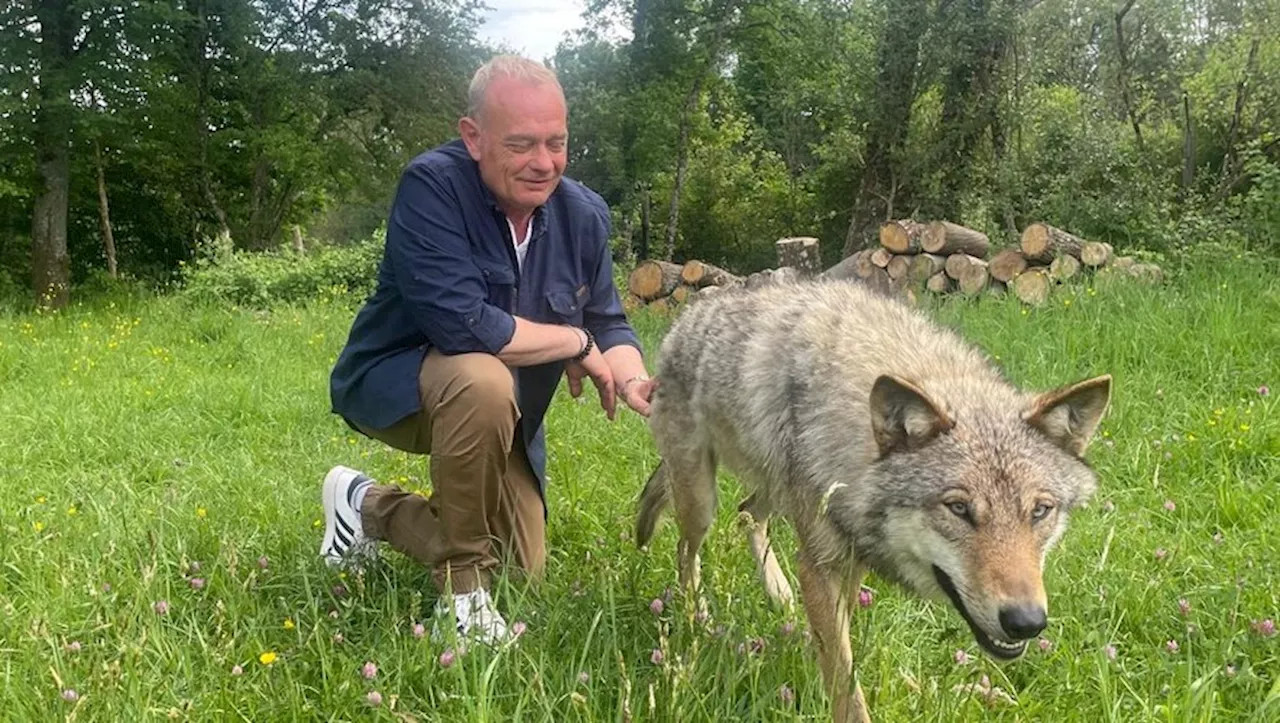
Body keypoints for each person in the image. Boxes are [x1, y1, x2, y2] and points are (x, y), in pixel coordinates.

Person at [319, 55, 657, 644]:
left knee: (522, 576)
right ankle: (463, 597)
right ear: (472, 137)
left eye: (557, 142)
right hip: (397, 387)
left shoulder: (584, 216)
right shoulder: (431, 188)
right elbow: (467, 326)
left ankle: (364, 505)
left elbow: (607, 320)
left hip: (507, 421)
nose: (543, 163)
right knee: (482, 377)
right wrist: (573, 341)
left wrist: (634, 380)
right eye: (522, 144)